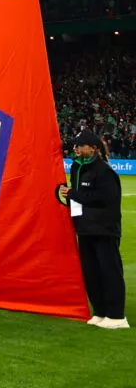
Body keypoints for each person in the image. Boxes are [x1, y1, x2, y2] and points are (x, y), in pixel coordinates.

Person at [57, 129, 127, 329]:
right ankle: (100, 311)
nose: (77, 148)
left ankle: (117, 316)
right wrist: (69, 195)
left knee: (109, 271)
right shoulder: (78, 169)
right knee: (91, 272)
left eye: (81, 145)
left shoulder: (105, 172)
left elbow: (105, 199)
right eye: (76, 145)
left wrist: (74, 194)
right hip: (85, 229)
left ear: (93, 148)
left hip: (104, 229)